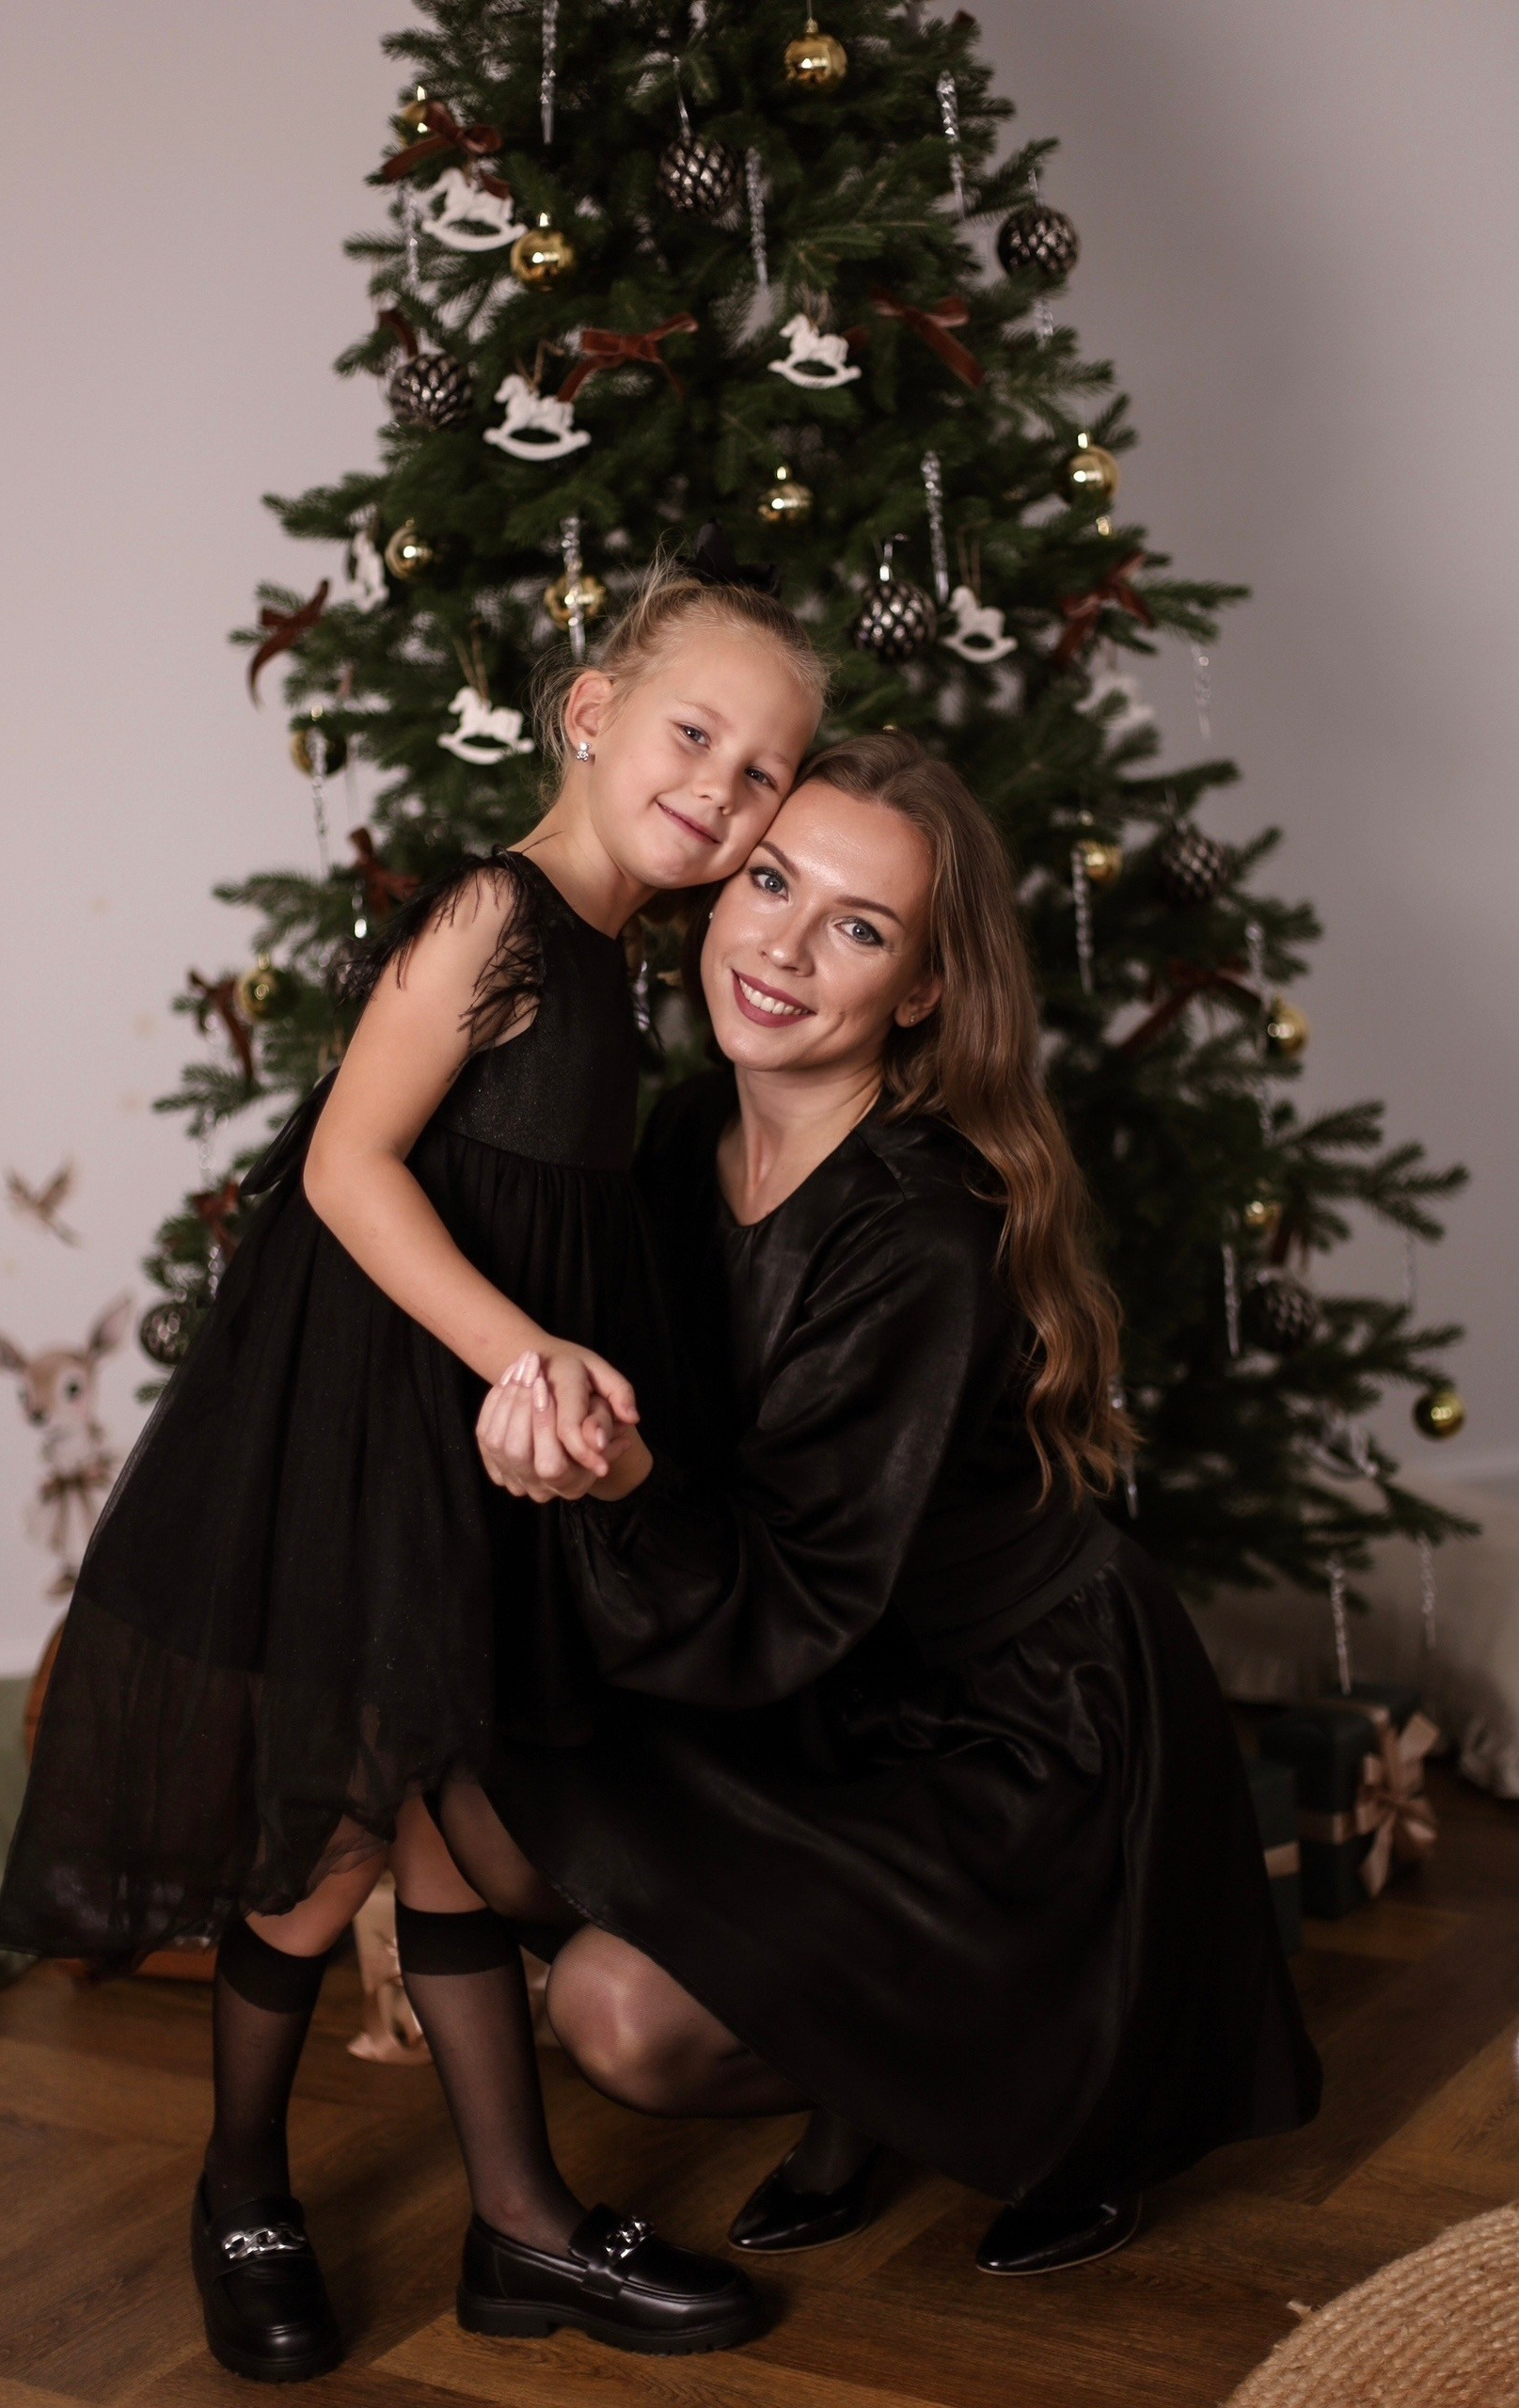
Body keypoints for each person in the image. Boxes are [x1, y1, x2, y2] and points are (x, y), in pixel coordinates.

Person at [0, 545, 826, 2378]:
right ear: (591, 711)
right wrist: (523, 1351)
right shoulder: (497, 914)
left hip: (488, 1455)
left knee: (452, 1825)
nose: (725, 786)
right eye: (696, 733)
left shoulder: (621, 957)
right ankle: (240, 2184)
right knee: (338, 1838)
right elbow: (347, 1163)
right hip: (381, 1429)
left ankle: (519, 2225)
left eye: (766, 769)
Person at [469, 731, 1322, 2280]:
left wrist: (615, 1473)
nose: (785, 949)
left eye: (857, 928)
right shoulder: (681, 1133)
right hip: (810, 1683)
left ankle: (1049, 2092)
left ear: (921, 989)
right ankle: (866, 2066)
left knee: (618, 2015)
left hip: (1008, 1731)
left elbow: (794, 1580)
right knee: (480, 1800)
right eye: (770, 884)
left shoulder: (920, 1225)